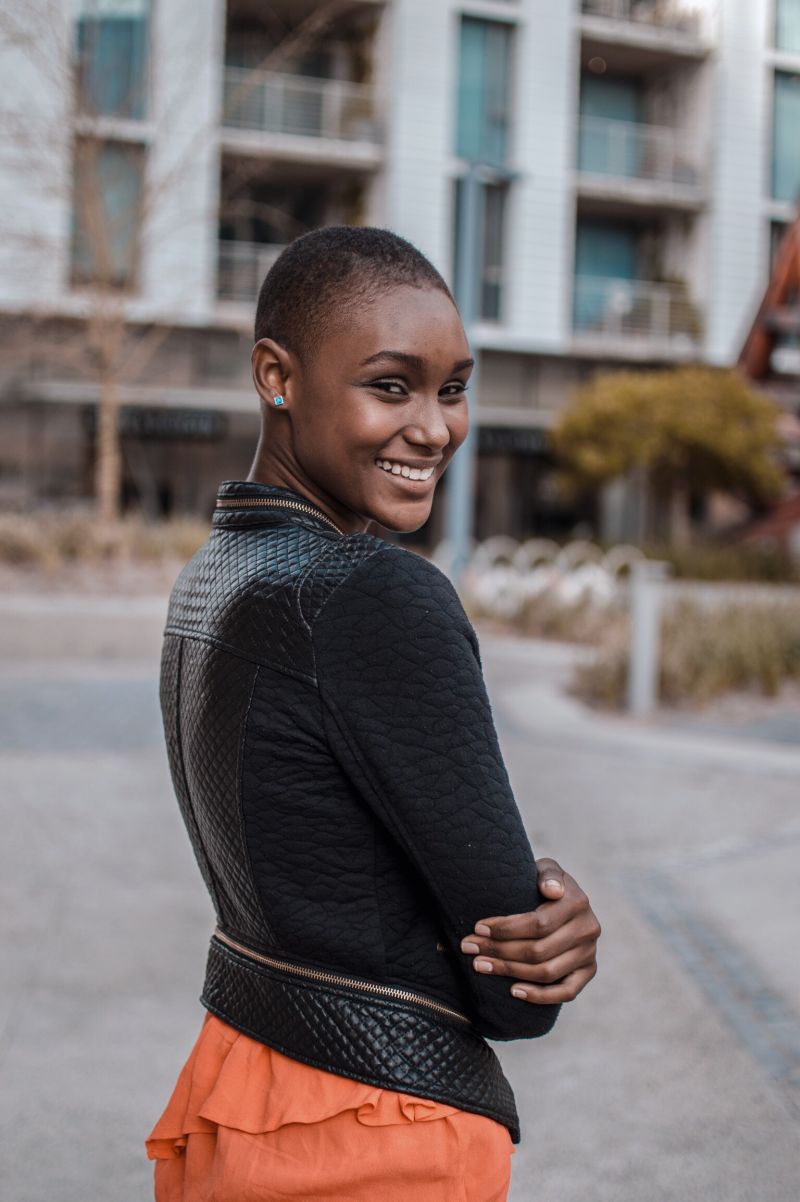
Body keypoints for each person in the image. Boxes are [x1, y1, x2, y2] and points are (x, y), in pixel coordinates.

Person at [146, 227, 600, 1202]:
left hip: (242, 1079)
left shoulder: (218, 573)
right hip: (366, 1132)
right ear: (276, 374)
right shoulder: (375, 593)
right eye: (390, 386)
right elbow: (512, 986)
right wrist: (551, 937)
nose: (434, 427)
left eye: (451, 387)